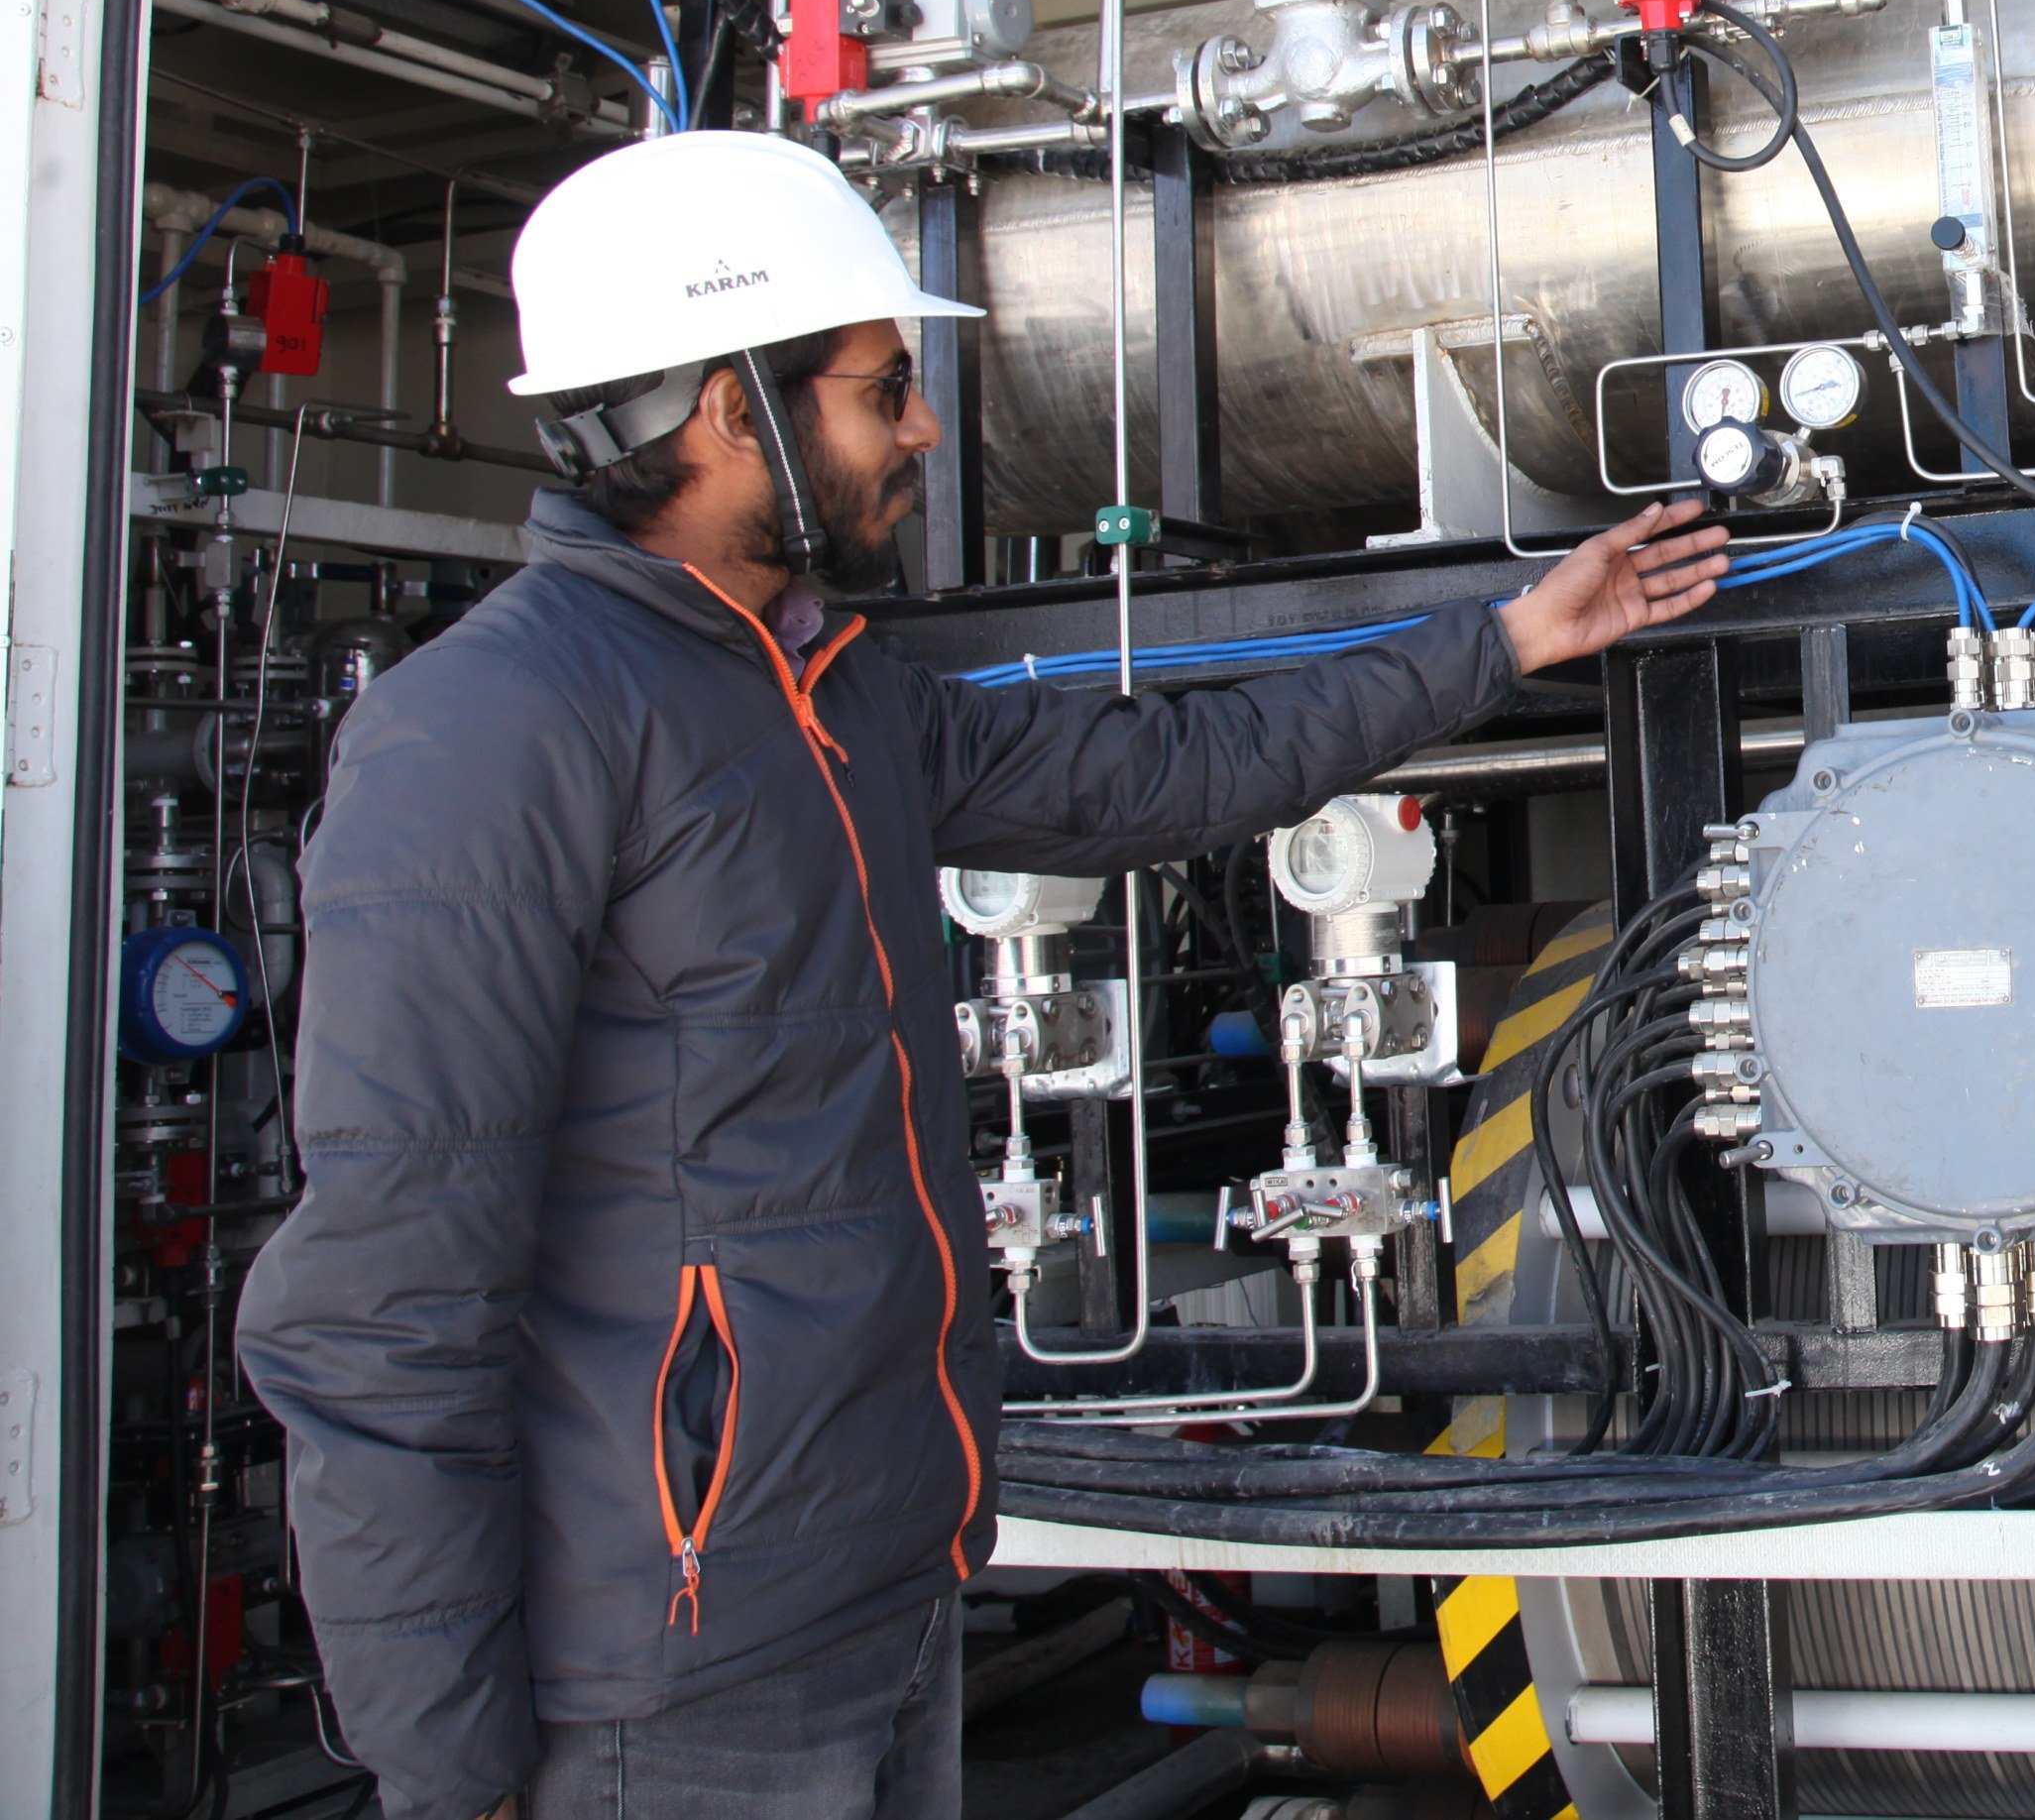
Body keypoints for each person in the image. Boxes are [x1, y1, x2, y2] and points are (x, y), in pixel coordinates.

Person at [236, 133, 1726, 1820]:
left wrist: (1504, 640)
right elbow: (383, 1305)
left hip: (880, 1598)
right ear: (734, 410)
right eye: (884, 391)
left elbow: (1161, 772)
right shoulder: (491, 733)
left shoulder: (842, 694)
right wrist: (449, 1768)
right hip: (660, 1676)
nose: (924, 430)